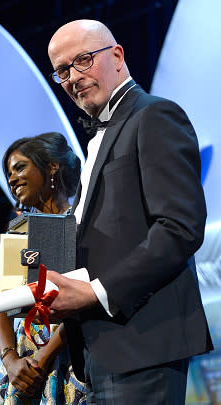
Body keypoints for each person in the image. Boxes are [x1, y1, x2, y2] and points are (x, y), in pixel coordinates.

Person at [45, 19, 213, 403]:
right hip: (99, 349)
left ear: (117, 56)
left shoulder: (154, 115)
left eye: (83, 60)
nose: (73, 77)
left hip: (143, 343)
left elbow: (179, 228)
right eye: (62, 71)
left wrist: (94, 292)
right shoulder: (99, 137)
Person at [0, 132, 85, 405]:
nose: (11, 179)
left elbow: (84, 299)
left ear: (51, 166)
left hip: (67, 357)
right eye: (9, 173)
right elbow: (1, 304)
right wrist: (10, 361)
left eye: (20, 167)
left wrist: (44, 357)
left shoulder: (82, 224)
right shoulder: (18, 230)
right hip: (20, 367)